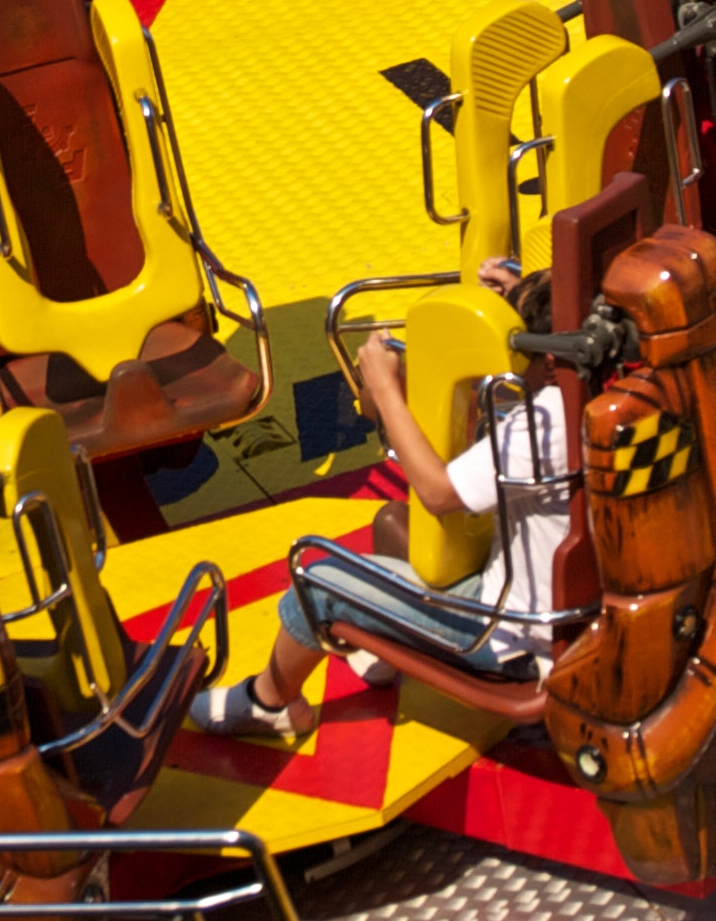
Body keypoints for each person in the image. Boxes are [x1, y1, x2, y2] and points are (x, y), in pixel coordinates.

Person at [189, 259, 576, 741]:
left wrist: (385, 388)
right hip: (575, 613)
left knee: (315, 579)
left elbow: (437, 493)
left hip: (513, 635)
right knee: (394, 523)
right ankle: (384, 648)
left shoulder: (544, 424)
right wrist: (527, 299)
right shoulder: (612, 396)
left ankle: (271, 702)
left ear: (551, 361)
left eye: (521, 350)